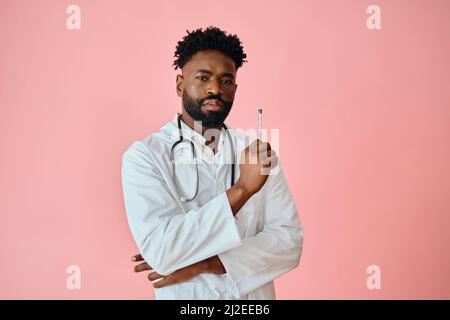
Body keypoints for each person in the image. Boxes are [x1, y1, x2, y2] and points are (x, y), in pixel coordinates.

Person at [121, 26, 303, 299]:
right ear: (180, 83)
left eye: (226, 81)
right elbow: (161, 252)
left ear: (236, 88)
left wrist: (207, 264)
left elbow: (289, 242)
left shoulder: (256, 153)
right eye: (203, 77)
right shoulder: (145, 157)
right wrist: (242, 189)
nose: (215, 88)